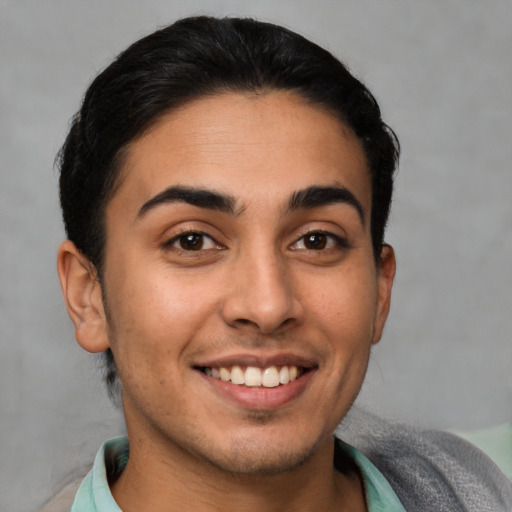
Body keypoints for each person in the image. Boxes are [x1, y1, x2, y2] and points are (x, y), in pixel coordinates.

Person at [51, 15, 512, 512]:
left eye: (316, 240)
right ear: (88, 296)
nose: (268, 306)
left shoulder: (483, 489)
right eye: (191, 241)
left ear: (380, 289)